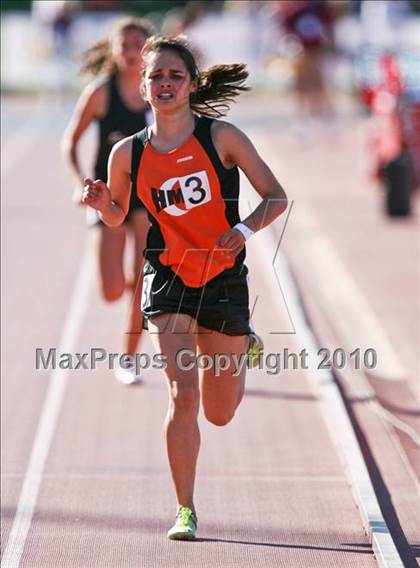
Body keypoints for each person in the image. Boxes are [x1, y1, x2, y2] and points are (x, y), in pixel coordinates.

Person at [82, 35, 288, 539]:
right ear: (144, 86)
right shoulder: (127, 151)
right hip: (168, 278)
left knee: (219, 413)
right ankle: (185, 509)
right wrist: (101, 205)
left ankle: (245, 346)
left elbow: (276, 197)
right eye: (156, 77)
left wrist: (239, 233)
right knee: (183, 395)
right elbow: (118, 216)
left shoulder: (222, 138)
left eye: (175, 76)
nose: (165, 84)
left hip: (222, 281)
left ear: (192, 85)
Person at [62, 17, 154, 384]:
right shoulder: (101, 93)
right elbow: (71, 140)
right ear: (114, 51)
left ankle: (128, 359)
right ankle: (138, 284)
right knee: (113, 290)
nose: (133, 52)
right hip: (107, 197)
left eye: (140, 45)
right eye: (126, 45)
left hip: (147, 200)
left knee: (145, 282)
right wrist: (77, 182)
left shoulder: (158, 93)